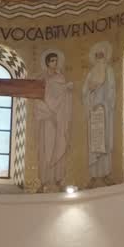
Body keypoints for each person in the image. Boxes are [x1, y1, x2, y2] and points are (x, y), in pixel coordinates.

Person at [34, 52, 73, 192]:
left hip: (59, 119)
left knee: (58, 145)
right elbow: (38, 99)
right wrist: (48, 113)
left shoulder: (60, 78)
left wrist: (67, 90)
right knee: (46, 148)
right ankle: (46, 180)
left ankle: (57, 180)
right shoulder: (42, 79)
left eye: (56, 61)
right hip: (47, 119)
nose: (54, 63)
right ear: (47, 62)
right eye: (52, 61)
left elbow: (64, 98)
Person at [82, 42, 115, 186]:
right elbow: (84, 92)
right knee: (94, 144)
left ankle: (106, 174)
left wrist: (106, 103)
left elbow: (112, 90)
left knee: (105, 142)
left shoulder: (109, 71)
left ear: (105, 56)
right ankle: (94, 176)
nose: (99, 58)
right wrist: (90, 93)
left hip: (104, 109)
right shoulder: (90, 74)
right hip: (94, 111)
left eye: (102, 55)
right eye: (97, 56)